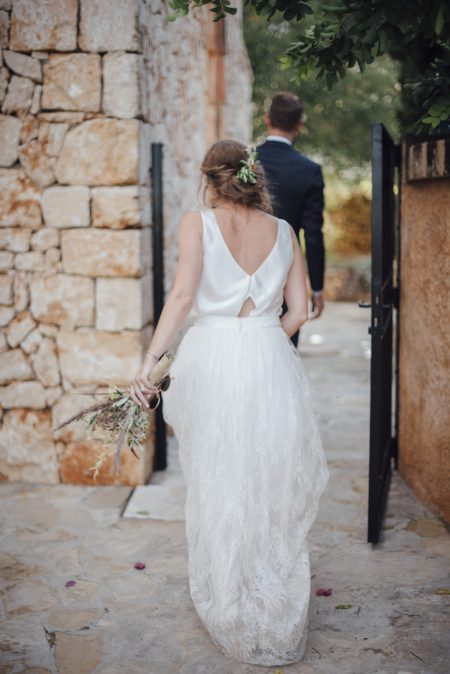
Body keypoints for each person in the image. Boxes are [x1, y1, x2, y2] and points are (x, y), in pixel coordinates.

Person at [130, 140, 329, 666]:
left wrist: (150, 360)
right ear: (252, 175)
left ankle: (228, 594)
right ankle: (269, 592)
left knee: (217, 475)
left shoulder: (197, 224)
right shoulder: (284, 231)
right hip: (267, 357)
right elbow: (300, 310)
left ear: (210, 179)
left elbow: (182, 297)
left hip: (212, 358)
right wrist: (264, 338)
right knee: (266, 476)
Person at [258, 92, 325, 346]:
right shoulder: (309, 171)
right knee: (282, 350)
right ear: (299, 125)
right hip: (284, 276)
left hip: (239, 272)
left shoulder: (244, 162)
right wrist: (316, 287)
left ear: (267, 119)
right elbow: (313, 234)